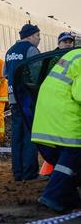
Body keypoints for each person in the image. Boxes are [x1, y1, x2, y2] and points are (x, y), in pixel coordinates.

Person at [31, 48, 81, 212]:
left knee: (66, 161)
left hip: (47, 118)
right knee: (74, 154)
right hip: (64, 117)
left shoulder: (74, 55)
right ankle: (52, 195)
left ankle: (70, 199)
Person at [4, 23, 41, 181]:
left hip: (13, 97)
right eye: (38, 36)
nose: (39, 39)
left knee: (17, 136)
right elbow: (37, 72)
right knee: (29, 135)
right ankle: (30, 173)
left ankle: (17, 172)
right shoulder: (30, 49)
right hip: (26, 98)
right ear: (31, 35)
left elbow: (5, 73)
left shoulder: (9, 51)